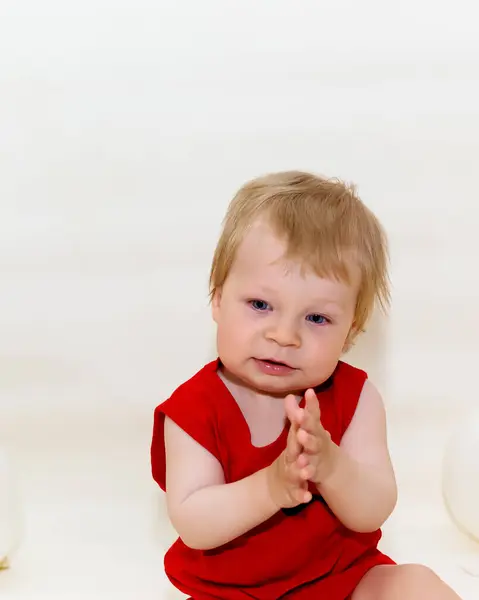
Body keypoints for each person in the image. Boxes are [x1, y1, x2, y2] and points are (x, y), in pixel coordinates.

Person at [150, 171, 461, 599]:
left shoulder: (357, 400)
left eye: (316, 318)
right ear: (218, 299)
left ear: (350, 333)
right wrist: (270, 487)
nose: (284, 335)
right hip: (230, 592)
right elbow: (194, 522)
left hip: (341, 579)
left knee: (416, 586)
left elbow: (372, 511)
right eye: (260, 304)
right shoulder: (192, 412)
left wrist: (331, 465)